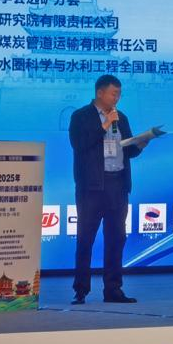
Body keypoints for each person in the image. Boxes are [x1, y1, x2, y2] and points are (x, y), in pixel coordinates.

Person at [69, 74, 144, 304]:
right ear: (100, 93)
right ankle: (81, 290)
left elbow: (128, 150)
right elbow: (80, 145)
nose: (117, 98)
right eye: (113, 93)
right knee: (85, 239)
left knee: (116, 239)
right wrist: (104, 125)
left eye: (119, 94)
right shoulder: (80, 116)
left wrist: (140, 144)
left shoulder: (122, 118)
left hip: (117, 185)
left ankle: (113, 289)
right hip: (91, 188)